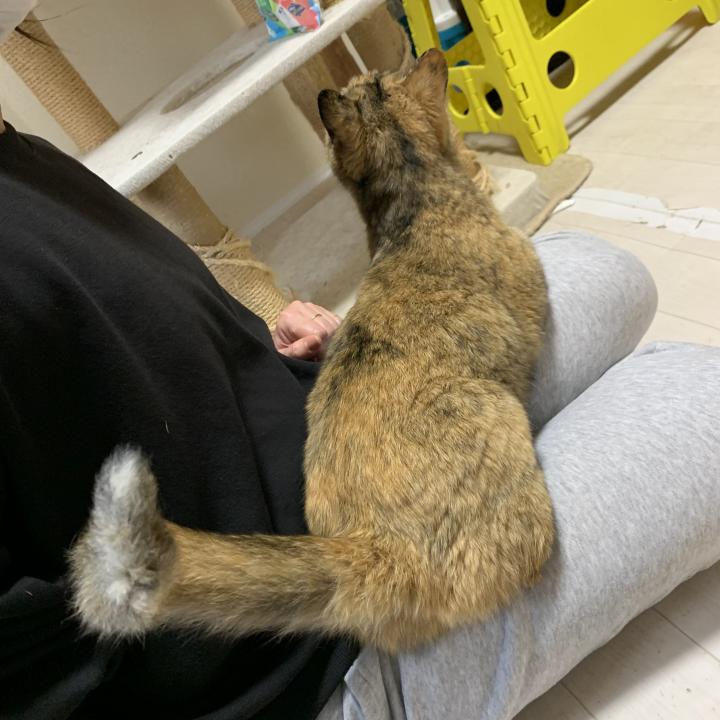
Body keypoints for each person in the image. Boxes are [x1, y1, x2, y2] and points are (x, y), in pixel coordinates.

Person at [2, 11, 720, 720]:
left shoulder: (20, 154)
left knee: (602, 269)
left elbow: (107, 366)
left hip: (325, 445)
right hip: (316, 641)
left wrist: (263, 353)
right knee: (697, 389)